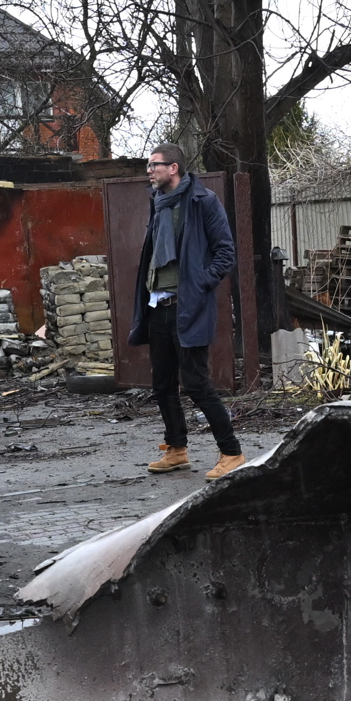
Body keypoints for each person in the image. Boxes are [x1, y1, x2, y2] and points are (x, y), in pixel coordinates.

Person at [130, 143, 245, 480]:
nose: (149, 171)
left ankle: (232, 452)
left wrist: (199, 284)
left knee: (197, 384)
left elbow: (225, 252)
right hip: (158, 306)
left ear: (174, 168)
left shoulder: (202, 202)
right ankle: (176, 449)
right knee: (162, 384)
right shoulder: (158, 203)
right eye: (149, 166)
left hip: (188, 306)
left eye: (154, 166)